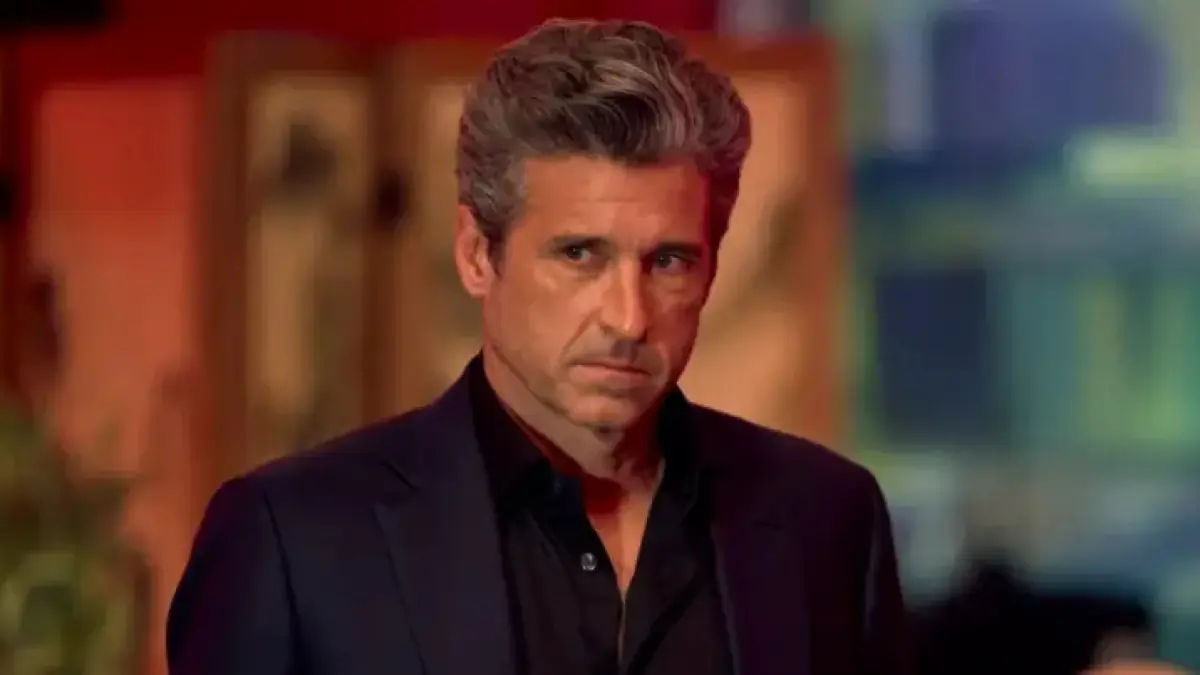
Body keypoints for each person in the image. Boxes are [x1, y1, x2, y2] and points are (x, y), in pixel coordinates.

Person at [166, 18, 910, 675]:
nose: (628, 318)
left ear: (712, 267)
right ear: (476, 254)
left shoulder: (827, 518)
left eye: (668, 262)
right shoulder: (295, 542)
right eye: (580, 254)